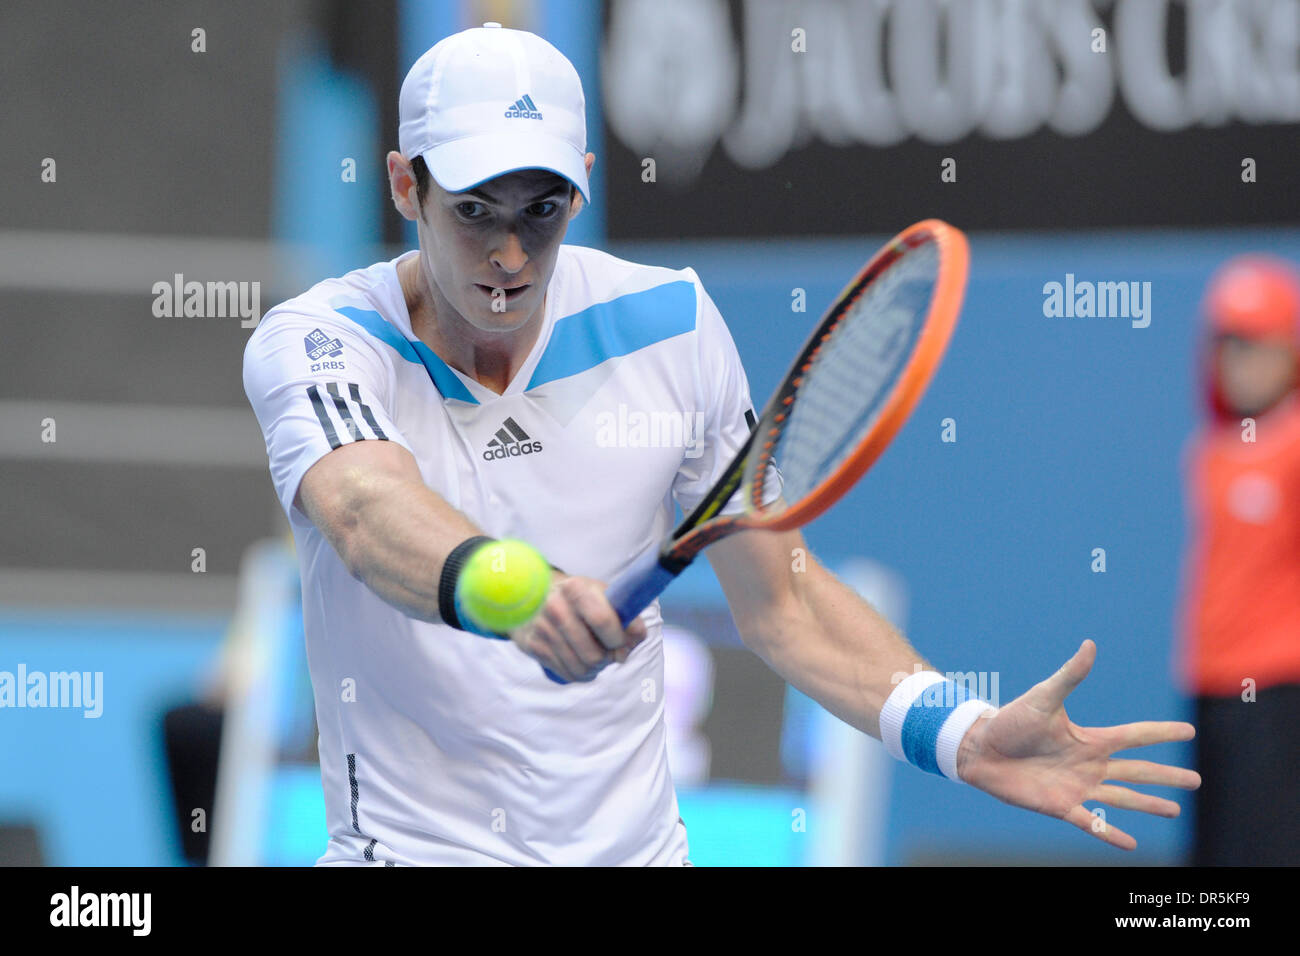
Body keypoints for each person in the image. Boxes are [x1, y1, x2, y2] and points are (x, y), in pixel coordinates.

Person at [243, 23, 1198, 866]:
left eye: (541, 211)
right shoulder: (323, 341)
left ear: (581, 186)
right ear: (407, 186)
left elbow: (780, 599)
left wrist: (959, 732)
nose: (508, 255)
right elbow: (366, 513)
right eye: (475, 211)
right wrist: (518, 590)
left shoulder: (671, 325)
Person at [1178, 254, 1300, 866]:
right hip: (1209, 693)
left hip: (1279, 700)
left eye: (1254, 343)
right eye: (1225, 343)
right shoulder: (1209, 452)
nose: (1237, 360)